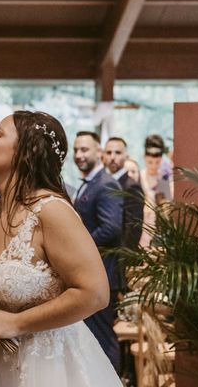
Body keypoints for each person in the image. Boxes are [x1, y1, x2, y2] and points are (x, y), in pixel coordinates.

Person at [0, 112, 122, 387]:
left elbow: (95, 293)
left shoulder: (52, 212)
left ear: (27, 152)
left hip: (50, 367)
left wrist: (18, 323)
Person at [73, 131, 124, 373]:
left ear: (98, 153)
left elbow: (111, 227)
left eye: (84, 150)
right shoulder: (90, 183)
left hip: (103, 273)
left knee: (103, 337)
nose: (79, 155)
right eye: (76, 150)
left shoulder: (105, 184)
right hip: (90, 273)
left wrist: (79, 247)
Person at [103, 137, 144, 251]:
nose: (112, 157)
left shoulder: (131, 186)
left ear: (126, 156)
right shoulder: (100, 183)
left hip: (118, 255)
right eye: (109, 152)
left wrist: (122, 259)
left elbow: (134, 227)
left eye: (118, 153)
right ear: (103, 156)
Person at [139, 135, 173, 247]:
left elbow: (167, 210)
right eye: (150, 162)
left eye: (157, 162)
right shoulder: (139, 177)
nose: (153, 166)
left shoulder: (164, 180)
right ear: (144, 157)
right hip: (140, 226)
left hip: (158, 231)